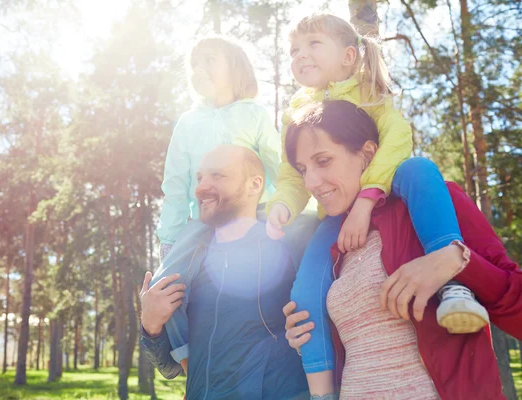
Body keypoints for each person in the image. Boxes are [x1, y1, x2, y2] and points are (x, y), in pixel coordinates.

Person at [263, 13, 488, 398]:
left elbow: (397, 143)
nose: (300, 55)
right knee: (304, 292)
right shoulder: (296, 113)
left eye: (313, 44)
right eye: (294, 50)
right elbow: (291, 174)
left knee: (418, 169)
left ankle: (452, 286)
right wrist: (284, 203)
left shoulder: (368, 96)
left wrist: (368, 197)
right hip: (336, 214)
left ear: (349, 56)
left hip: (389, 182)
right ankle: (320, 391)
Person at [283, 100, 522, 399]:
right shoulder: (330, 241)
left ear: (367, 153)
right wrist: (306, 334)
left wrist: (458, 261)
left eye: (323, 161)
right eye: (303, 169)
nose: (311, 182)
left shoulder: (432, 203)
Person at [141, 144, 309, 400]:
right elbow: (170, 367)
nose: (201, 187)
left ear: (255, 185)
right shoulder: (191, 260)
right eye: (200, 178)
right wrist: (150, 325)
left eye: (217, 175)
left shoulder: (290, 245)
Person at [157, 35, 281, 261]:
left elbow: (280, 169)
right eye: (194, 64)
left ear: (235, 68)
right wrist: (169, 240)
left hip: (254, 220)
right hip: (205, 224)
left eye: (210, 60)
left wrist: (298, 211)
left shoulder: (254, 115)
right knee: (172, 285)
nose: (199, 69)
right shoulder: (187, 122)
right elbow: (175, 184)